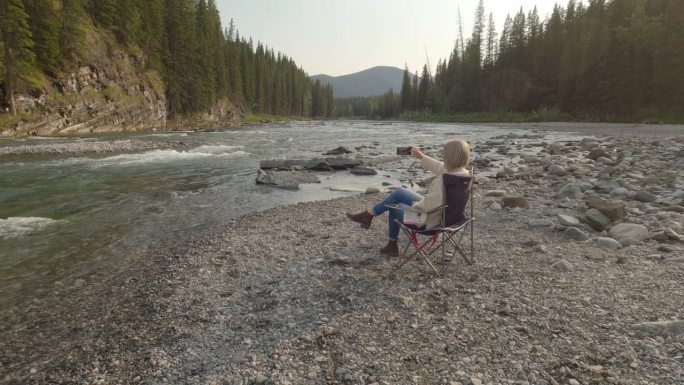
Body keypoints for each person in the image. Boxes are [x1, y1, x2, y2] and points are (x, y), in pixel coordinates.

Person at [346, 139, 471, 256]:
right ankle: (369, 214)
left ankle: (391, 244)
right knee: (399, 192)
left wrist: (415, 205)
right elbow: (441, 168)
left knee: (393, 206)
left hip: (428, 222)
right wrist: (422, 156)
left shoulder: (443, 181)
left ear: (448, 157)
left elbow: (428, 205)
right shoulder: (464, 175)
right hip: (449, 218)